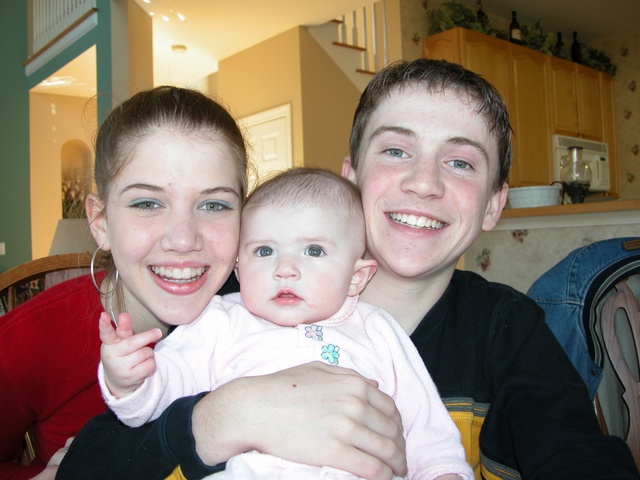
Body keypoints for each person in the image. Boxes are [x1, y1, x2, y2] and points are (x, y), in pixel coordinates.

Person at [58, 59, 640, 479]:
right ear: (351, 178)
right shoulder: (244, 302)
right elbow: (88, 464)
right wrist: (230, 413)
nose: (424, 181)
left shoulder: (506, 329)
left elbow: (574, 451)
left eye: (460, 161)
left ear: (493, 204)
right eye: (395, 150)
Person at [99, 168, 473, 480]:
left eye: (313, 250)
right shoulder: (221, 322)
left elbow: (428, 432)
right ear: (239, 271)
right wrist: (129, 381)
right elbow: (164, 390)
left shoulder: (376, 330)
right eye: (264, 251)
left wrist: (444, 473)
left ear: (357, 277)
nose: (285, 269)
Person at [0, 85, 249, 480]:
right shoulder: (33, 337)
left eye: (214, 204)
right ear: (100, 223)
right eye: (147, 203)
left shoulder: (272, 314)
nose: (183, 239)